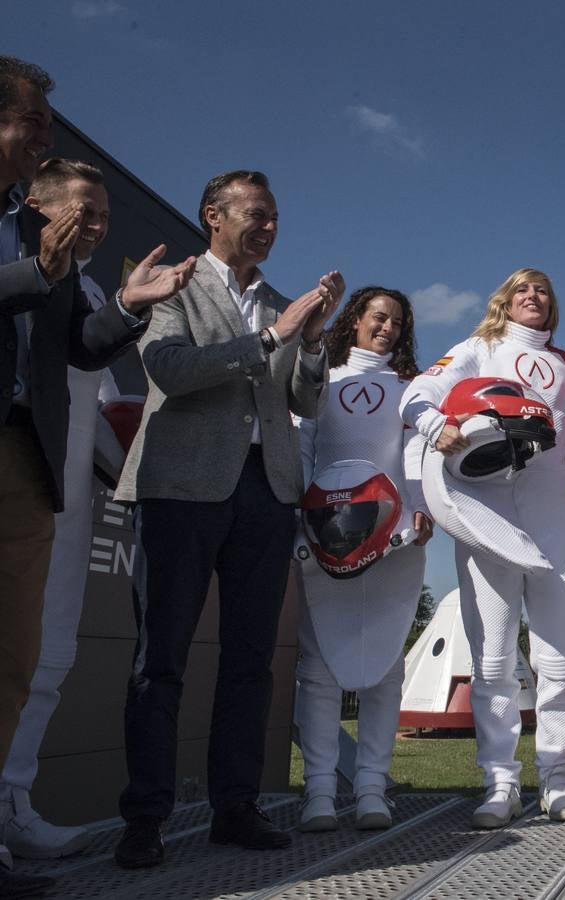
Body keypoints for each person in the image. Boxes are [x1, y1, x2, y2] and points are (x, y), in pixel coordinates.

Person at [112, 170, 342, 870]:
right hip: (182, 488)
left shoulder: (279, 302)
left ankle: (234, 808)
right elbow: (172, 372)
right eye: (257, 214)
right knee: (163, 658)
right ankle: (146, 816)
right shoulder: (174, 286)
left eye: (275, 217)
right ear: (214, 215)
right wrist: (274, 336)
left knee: (249, 662)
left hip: (266, 492)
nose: (269, 227)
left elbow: (305, 403)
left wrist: (311, 346)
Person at [2, 57, 191, 895]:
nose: (44, 134)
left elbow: (82, 343)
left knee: (14, 651)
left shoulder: (37, 243)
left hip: (24, 458)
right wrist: (38, 272)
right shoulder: (33, 250)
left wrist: (130, 306)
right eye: (31, 122)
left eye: (47, 125)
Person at [400, 268, 565, 828]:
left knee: (561, 658)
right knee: (494, 659)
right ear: (504, 302)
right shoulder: (479, 347)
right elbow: (417, 393)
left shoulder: (564, 365)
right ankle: (500, 783)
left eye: (543, 291)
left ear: (552, 307)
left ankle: (556, 777)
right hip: (487, 513)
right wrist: (436, 427)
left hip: (553, 514)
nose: (533, 297)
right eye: (522, 290)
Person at [2, 159, 120, 861]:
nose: (96, 226)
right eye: (85, 210)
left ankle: (14, 801)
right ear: (39, 208)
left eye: (104, 214)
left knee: (44, 655)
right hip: (19, 478)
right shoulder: (21, 262)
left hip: (65, 498)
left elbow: (100, 403)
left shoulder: (90, 284)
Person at [294, 286, 432, 833]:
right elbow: (303, 444)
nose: (388, 329)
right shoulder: (319, 378)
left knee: (385, 668)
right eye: (379, 317)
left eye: (398, 322)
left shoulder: (411, 388)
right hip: (323, 535)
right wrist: (304, 510)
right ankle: (320, 794)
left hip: (394, 539)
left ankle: (373, 788)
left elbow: (417, 451)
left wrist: (419, 508)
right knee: (319, 668)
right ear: (354, 320)